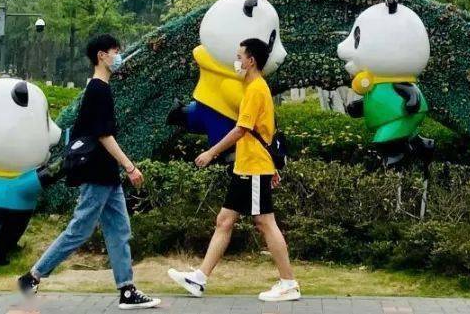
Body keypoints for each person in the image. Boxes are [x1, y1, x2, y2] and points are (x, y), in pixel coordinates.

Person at [17, 34, 159, 310]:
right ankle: (32, 277)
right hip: (97, 172)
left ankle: (127, 290)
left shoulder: (101, 88)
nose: (119, 56)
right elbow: (103, 134)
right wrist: (129, 166)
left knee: (119, 230)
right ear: (101, 56)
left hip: (106, 174)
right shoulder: (97, 90)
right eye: (115, 51)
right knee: (79, 230)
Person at [167, 37, 300, 303]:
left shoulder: (255, 89)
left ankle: (289, 283)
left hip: (252, 167)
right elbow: (265, 131)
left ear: (251, 60)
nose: (236, 61)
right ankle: (200, 278)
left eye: (239, 56)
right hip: (249, 166)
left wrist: (210, 152)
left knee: (264, 222)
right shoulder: (254, 87)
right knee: (224, 221)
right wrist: (271, 166)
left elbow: (242, 130)